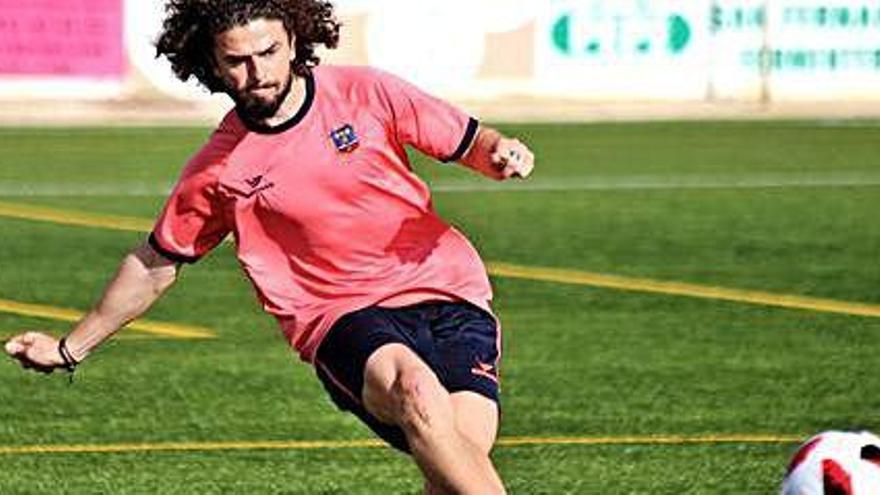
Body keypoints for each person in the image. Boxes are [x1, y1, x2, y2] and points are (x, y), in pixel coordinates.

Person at [4, 1, 534, 493]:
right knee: (417, 393)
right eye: (237, 60)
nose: (258, 73)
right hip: (341, 314)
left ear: (294, 39)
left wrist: (500, 154)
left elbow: (470, 142)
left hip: (448, 291)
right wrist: (71, 346)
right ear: (210, 63)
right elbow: (154, 265)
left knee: (459, 461)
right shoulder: (219, 167)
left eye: (269, 52)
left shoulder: (367, 92)